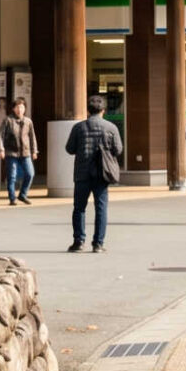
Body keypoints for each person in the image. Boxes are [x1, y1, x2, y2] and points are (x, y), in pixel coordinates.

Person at [64, 93, 123, 254]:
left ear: (88, 111)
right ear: (103, 110)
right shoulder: (111, 128)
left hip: (82, 173)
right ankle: (98, 243)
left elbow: (69, 149)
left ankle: (78, 242)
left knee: (79, 208)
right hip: (102, 173)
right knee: (101, 208)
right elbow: (118, 150)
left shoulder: (79, 127)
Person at [0, 97, 38, 205]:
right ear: (13, 109)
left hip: (25, 152)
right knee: (12, 176)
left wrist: (34, 151)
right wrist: (1, 149)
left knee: (30, 173)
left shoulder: (28, 121)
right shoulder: (8, 120)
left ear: (25, 108)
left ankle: (23, 194)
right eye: (17, 107)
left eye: (21, 107)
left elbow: (32, 137)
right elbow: (1, 136)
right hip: (11, 153)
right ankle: (12, 198)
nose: (19, 109)